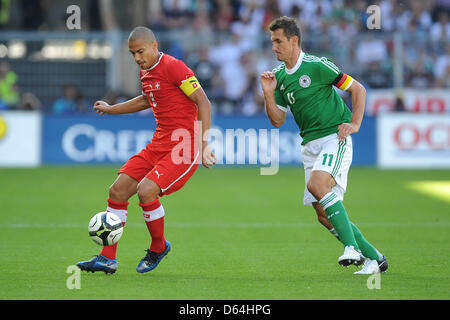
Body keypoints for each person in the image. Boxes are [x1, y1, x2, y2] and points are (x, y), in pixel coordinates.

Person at [77, 26, 216, 274]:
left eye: (140, 51)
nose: (137, 58)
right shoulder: (147, 73)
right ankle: (107, 258)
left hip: (184, 145)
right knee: (118, 190)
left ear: (154, 46)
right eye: (133, 54)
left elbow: (202, 101)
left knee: (146, 190)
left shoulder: (175, 67)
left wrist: (204, 144)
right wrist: (111, 108)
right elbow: (145, 100)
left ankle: (158, 246)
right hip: (158, 144)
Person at [260, 16, 387, 274]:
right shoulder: (281, 77)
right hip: (310, 146)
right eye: (272, 41)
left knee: (317, 185)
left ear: (294, 40)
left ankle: (351, 249)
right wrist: (268, 93)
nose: (274, 47)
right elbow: (277, 120)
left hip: (334, 138)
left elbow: (358, 89)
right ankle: (375, 258)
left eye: (278, 41)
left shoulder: (317, 66)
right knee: (322, 214)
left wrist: (355, 123)